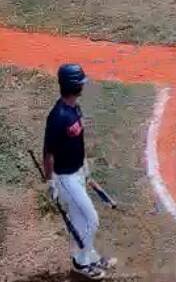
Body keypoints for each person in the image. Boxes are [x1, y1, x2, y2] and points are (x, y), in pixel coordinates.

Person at [43, 63, 116, 280]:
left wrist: (85, 167)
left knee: (78, 220)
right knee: (91, 219)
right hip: (65, 178)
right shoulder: (57, 117)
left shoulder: (75, 108)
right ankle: (80, 261)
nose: (84, 86)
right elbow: (48, 154)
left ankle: (89, 256)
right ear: (74, 85)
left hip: (78, 173)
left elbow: (78, 142)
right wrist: (51, 183)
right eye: (81, 83)